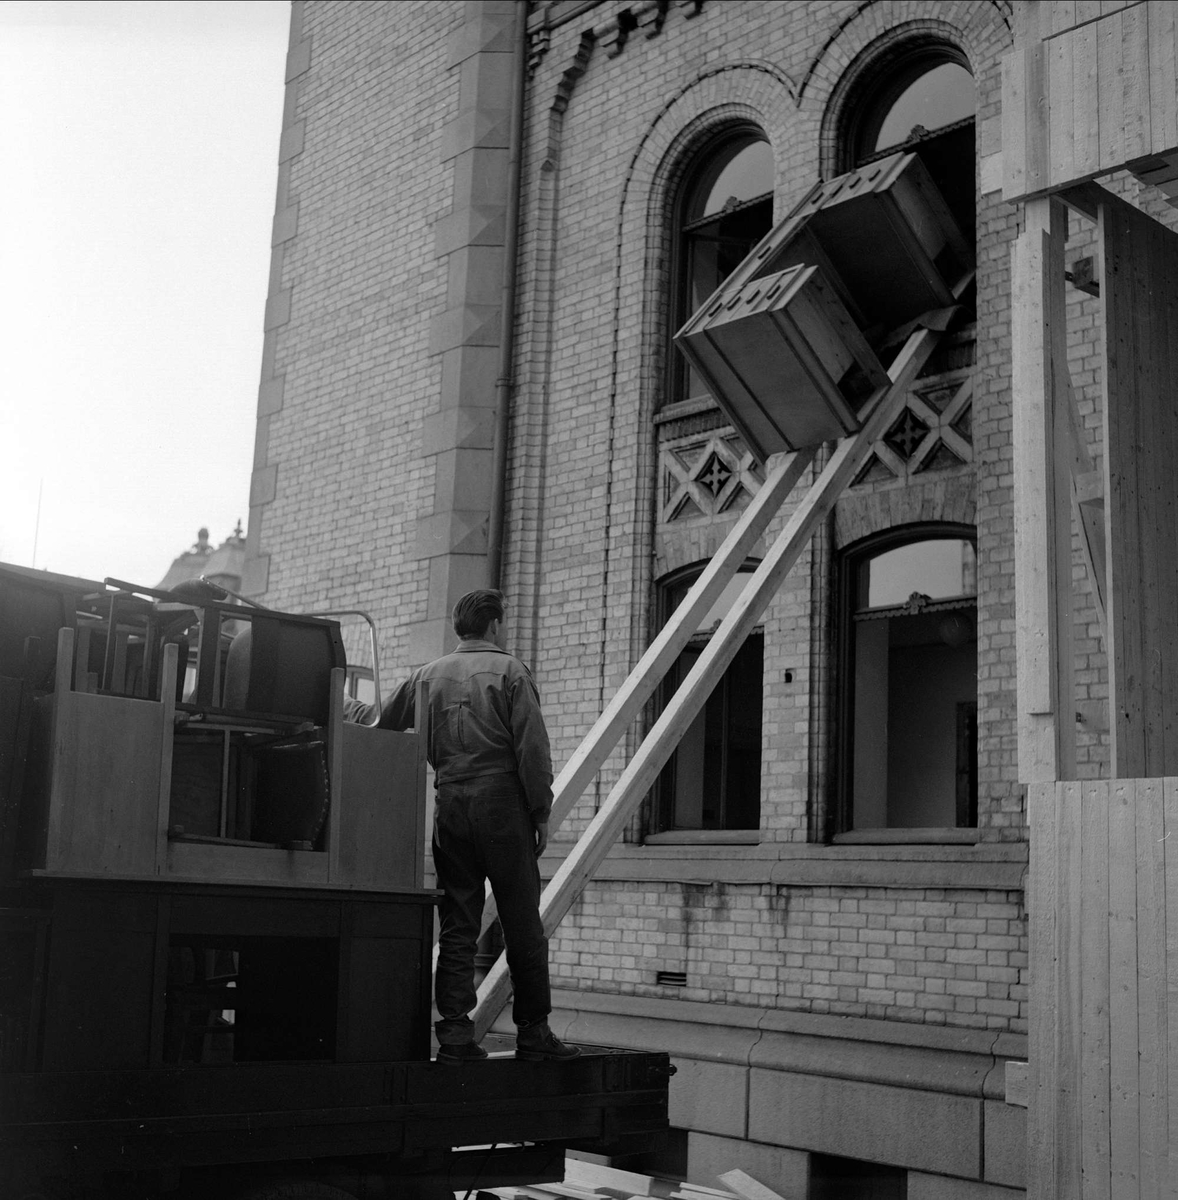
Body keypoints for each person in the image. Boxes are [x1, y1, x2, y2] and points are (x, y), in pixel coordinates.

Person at [375, 589, 580, 1065]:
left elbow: (384, 728)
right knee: (522, 922)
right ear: (494, 625)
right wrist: (541, 811)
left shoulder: (425, 675)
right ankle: (534, 1031)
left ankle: (452, 1036)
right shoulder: (511, 671)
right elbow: (532, 750)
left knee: (458, 923)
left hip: (450, 803)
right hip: (502, 805)